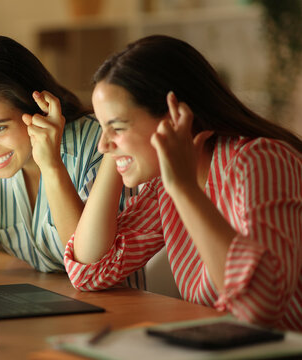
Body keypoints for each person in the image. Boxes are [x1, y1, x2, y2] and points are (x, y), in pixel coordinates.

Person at [65, 35, 302, 331]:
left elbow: (258, 311)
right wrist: (120, 145)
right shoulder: (167, 181)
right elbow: (89, 272)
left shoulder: (261, 160)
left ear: (175, 116)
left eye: (118, 126)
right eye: (102, 127)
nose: (101, 145)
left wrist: (184, 189)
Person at [0, 36, 137, 277]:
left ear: (39, 112)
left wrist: (52, 165)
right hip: (57, 297)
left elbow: (87, 262)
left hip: (121, 304)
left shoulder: (98, 144)